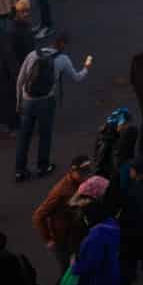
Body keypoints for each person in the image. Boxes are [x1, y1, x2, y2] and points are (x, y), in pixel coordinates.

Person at [13, 32, 89, 182]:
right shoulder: (63, 59)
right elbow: (77, 77)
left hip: (28, 100)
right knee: (45, 134)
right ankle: (43, 166)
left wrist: (18, 101)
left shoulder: (32, 55)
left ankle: (20, 170)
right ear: (63, 44)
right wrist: (86, 67)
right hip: (46, 101)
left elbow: (20, 80)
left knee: (24, 136)